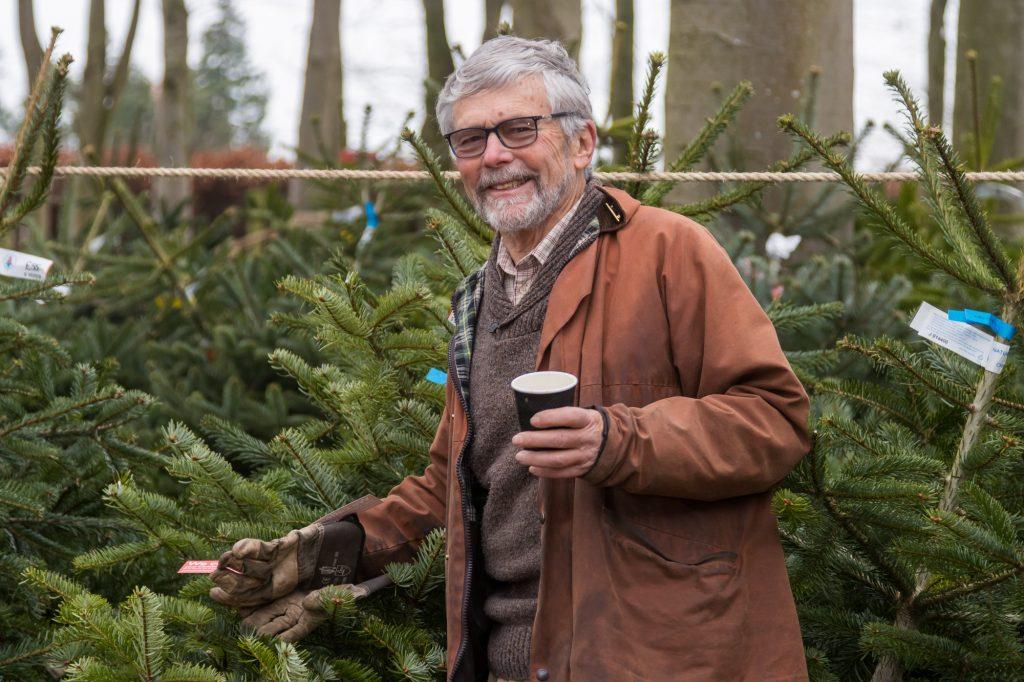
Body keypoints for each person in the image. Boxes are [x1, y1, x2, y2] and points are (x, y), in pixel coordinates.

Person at [210, 36, 811, 682]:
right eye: (470, 141)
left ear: (582, 144)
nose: (494, 155)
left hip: (657, 662)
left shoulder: (669, 253)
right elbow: (454, 484)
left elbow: (776, 421)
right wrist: (333, 552)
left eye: (520, 129)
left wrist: (619, 440)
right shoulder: (475, 301)